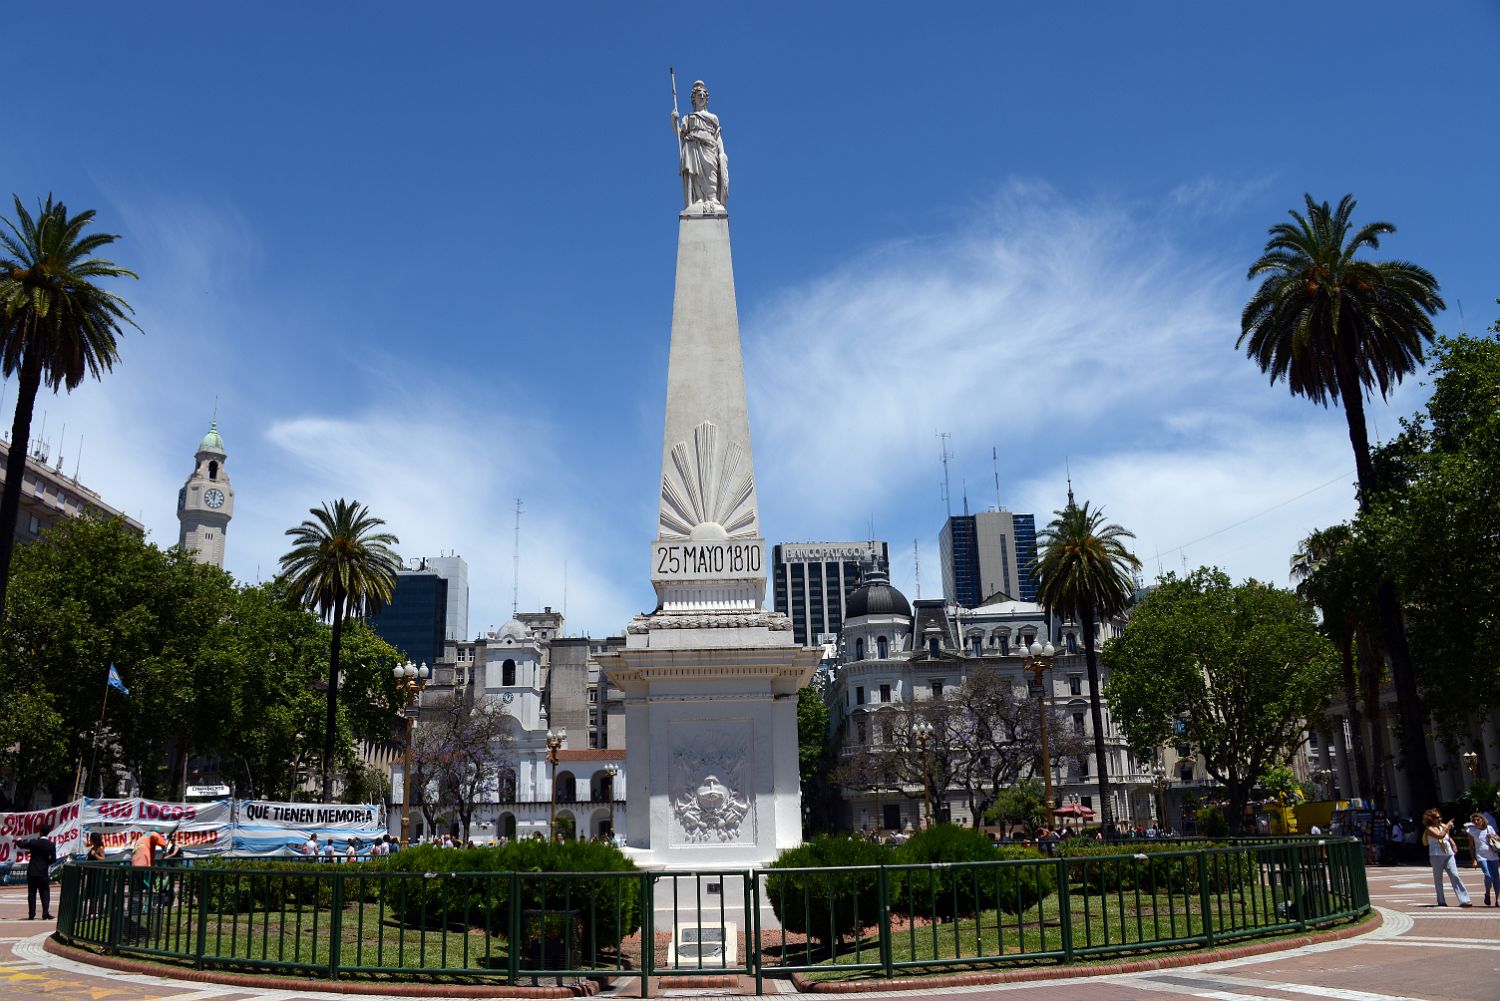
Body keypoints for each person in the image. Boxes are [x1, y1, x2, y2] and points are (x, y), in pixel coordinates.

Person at [672, 79, 729, 209]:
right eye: (699, 95)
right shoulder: (688, 117)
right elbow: (681, 134)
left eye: (704, 95)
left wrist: (722, 152)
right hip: (692, 147)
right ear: (694, 98)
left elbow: (718, 137)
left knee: (711, 170)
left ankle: (712, 197)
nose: (702, 97)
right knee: (695, 172)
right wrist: (673, 121)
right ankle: (698, 198)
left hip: (710, 147)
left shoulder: (713, 117)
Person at [1423, 808, 1472, 907]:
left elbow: (1447, 837)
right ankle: (1441, 901)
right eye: (1436, 817)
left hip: (1448, 854)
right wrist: (1447, 827)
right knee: (1438, 879)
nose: (1439, 819)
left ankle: (1464, 900)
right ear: (1431, 819)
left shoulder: (1442, 826)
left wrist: (1454, 845)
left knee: (1455, 875)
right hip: (1436, 855)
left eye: (1440, 817)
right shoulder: (1429, 828)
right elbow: (1440, 836)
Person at [1463, 813, 1500, 907]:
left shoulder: (1489, 828)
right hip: (1481, 857)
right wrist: (1474, 860)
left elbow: (1498, 839)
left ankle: (1498, 899)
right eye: (1474, 820)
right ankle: (1487, 893)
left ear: (1483, 820)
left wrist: (1493, 837)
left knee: (1496, 877)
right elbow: (1471, 846)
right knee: (1488, 875)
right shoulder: (1471, 830)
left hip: (1493, 856)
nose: (1476, 822)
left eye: (1478, 820)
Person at [17, 835, 56, 921]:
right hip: (43, 872)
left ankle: (32, 914)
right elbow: (53, 859)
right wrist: (45, 863)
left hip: (32, 871)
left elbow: (22, 845)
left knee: (31, 893)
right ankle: (45, 913)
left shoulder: (34, 842)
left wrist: (18, 839)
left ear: (40, 832)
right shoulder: (51, 845)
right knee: (45, 892)